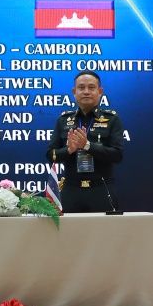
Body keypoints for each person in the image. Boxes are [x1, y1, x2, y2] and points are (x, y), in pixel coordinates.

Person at [45, 70, 126, 213]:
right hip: (71, 190)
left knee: (104, 228)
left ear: (100, 91)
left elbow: (117, 155)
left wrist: (88, 146)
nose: (86, 92)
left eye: (91, 87)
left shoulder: (112, 119)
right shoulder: (63, 120)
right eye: (81, 87)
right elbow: (51, 155)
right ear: (74, 92)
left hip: (101, 189)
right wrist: (68, 150)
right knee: (68, 228)